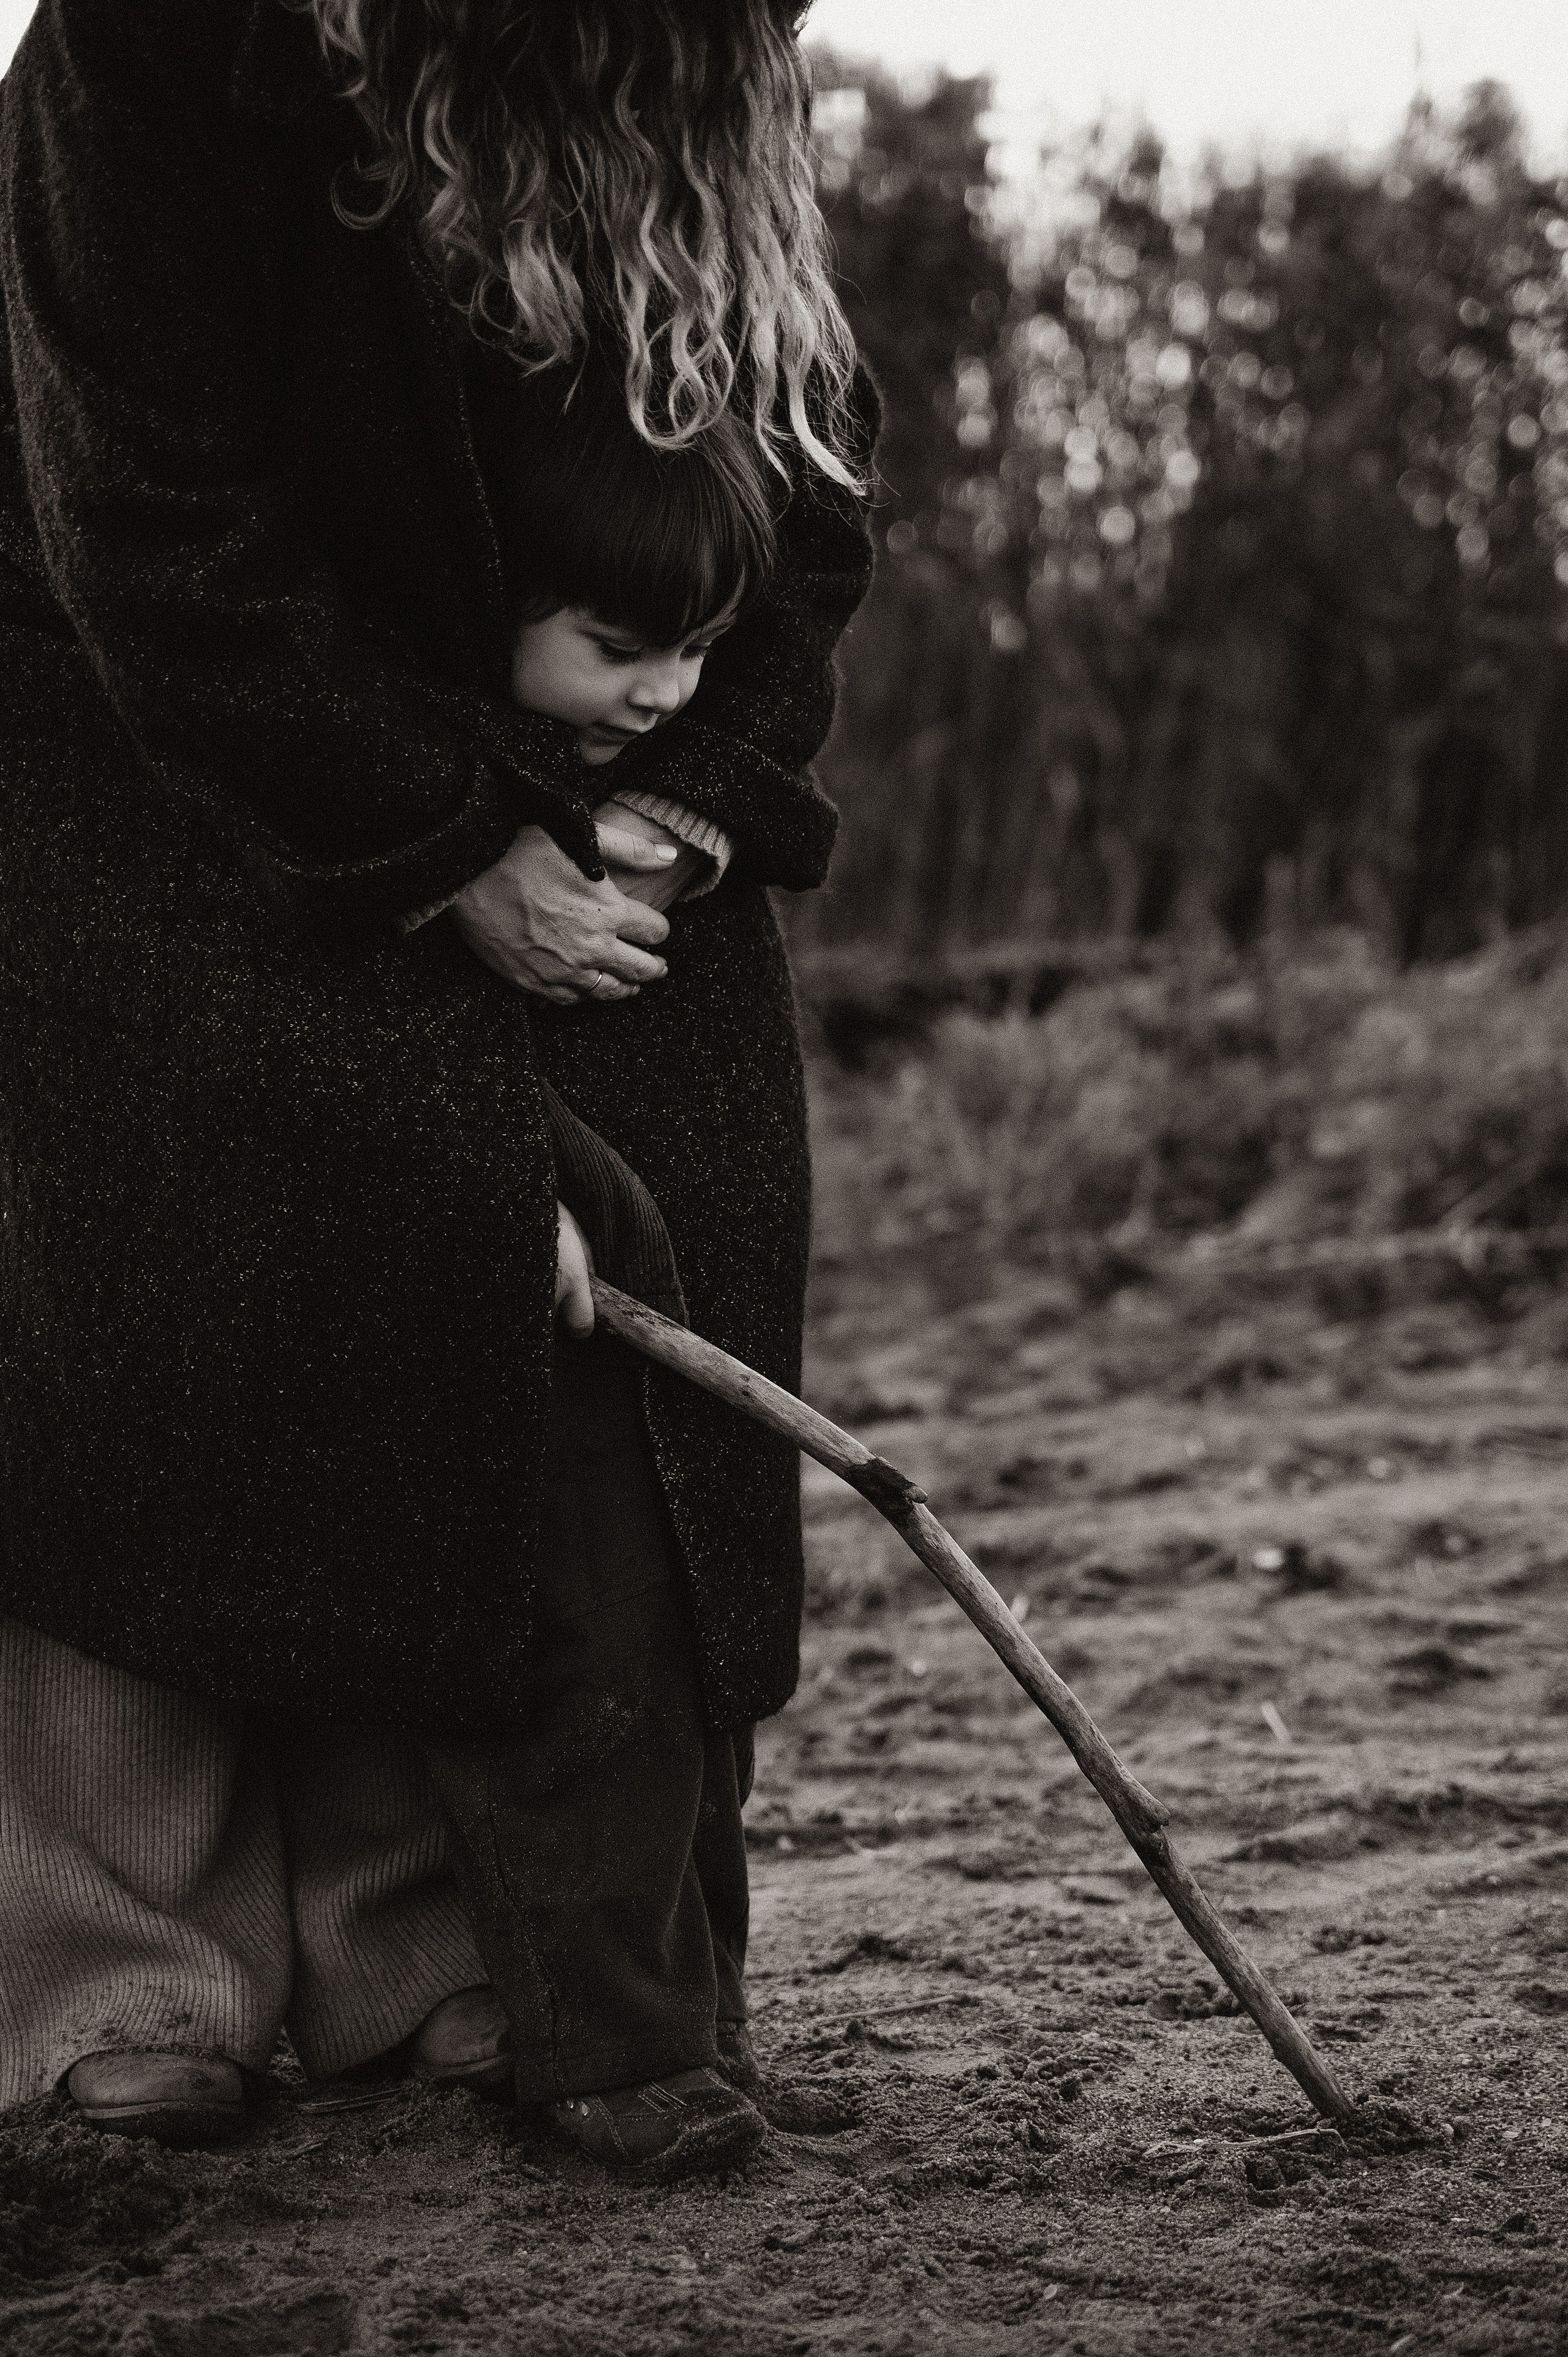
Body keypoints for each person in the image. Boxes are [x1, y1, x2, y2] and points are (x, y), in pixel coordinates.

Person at [0, 0, 876, 2181]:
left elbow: (805, 504)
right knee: (139, 1309)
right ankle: (120, 1971)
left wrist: (691, 787)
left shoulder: (708, 77)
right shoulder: (154, 49)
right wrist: (443, 843)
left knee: (599, 1282)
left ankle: (461, 1950)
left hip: (579, 747)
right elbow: (143, 508)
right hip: (139, 720)